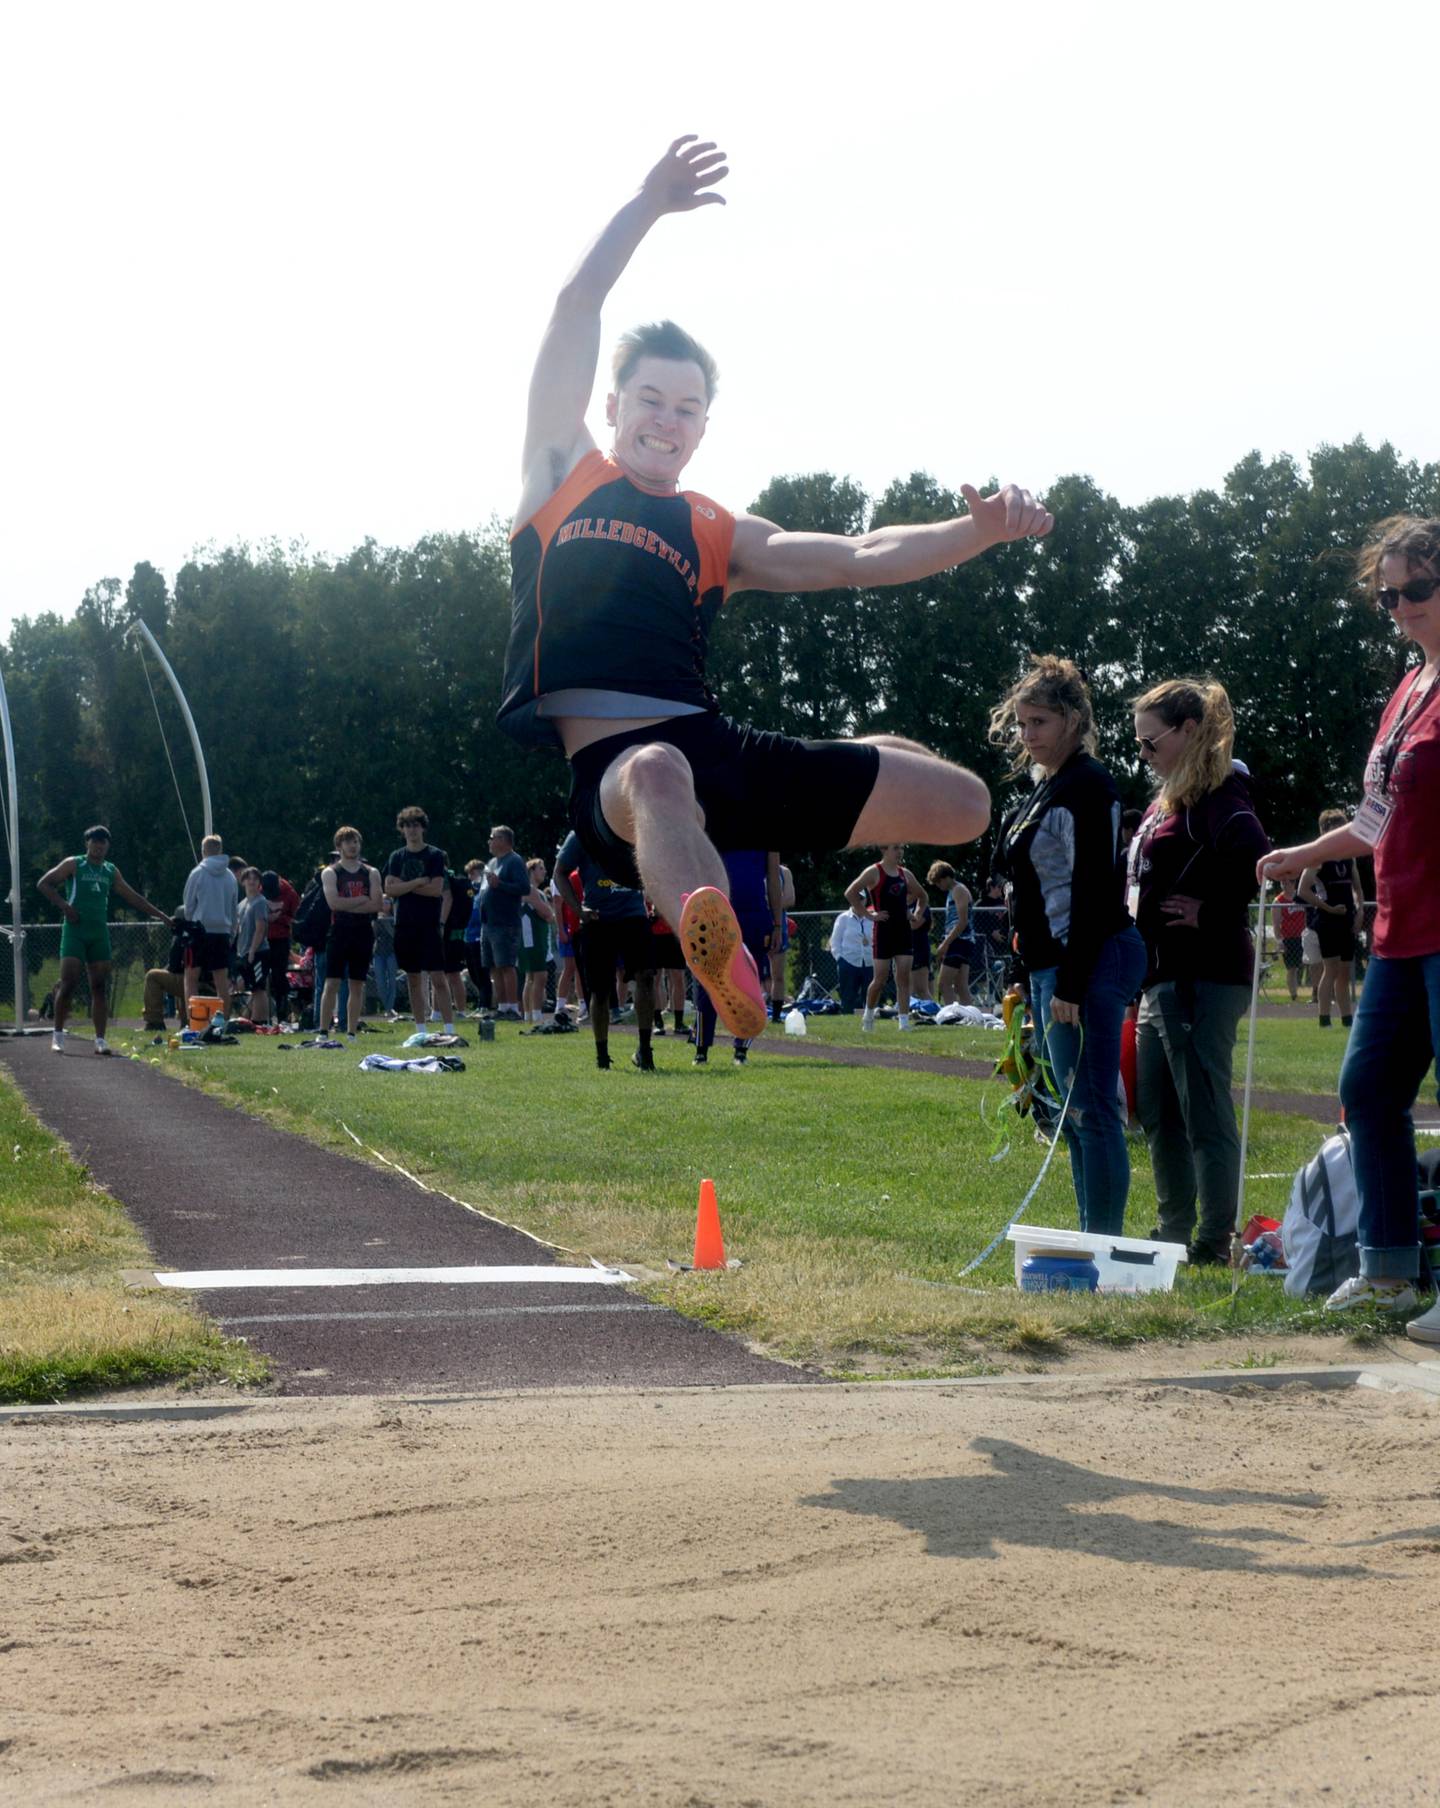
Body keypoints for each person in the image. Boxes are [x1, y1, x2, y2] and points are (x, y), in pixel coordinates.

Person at [497, 137, 1052, 1044]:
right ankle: (719, 957)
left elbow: (861, 554)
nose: (665, 422)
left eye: (685, 409)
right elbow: (573, 305)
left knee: (967, 805)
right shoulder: (560, 475)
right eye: (648, 400)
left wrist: (978, 532)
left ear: (703, 427)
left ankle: (835, 774)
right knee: (656, 768)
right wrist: (646, 204)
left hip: (723, 752)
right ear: (611, 408)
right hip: (617, 779)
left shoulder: (719, 531)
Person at [1261, 515, 1440, 1339]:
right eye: (1387, 596)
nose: (1400, 607)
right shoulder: (1409, 690)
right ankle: (1389, 1274)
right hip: (1401, 930)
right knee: (1367, 1091)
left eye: (1417, 590)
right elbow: (1376, 818)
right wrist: (1300, 851)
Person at [988, 658, 1147, 1237]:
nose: (1028, 735)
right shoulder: (1044, 786)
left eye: (1039, 722)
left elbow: (1092, 888)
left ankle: (1103, 1244)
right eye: (1022, 724)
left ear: (1074, 720)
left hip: (1090, 958)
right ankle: (1088, 1237)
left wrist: (1073, 983)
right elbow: (1026, 889)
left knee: (1094, 1108)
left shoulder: (1088, 784)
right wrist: (1024, 969)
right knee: (1074, 1114)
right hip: (1049, 964)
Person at [1128, 679, 1269, 1265]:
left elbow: (1257, 859)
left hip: (1202, 978)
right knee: (1159, 1110)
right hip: (1162, 979)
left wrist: (1209, 912)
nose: (1142, 753)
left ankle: (1213, 1238)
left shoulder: (1218, 798)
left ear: (1189, 732)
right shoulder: (1173, 798)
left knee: (1204, 1108)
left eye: (1149, 741)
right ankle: (1173, 1230)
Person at [38, 827, 172, 1055]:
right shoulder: (74, 864)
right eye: (95, 841)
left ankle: (100, 1040)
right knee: (68, 983)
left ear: (108, 846)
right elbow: (44, 883)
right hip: (75, 931)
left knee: (99, 987)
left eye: (103, 843)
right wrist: (65, 907)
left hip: (98, 933)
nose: (99, 846)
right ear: (87, 843)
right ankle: (58, 1035)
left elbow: (134, 897)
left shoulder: (110, 871)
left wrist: (161, 916)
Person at [555, 828, 658, 1071]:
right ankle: (602, 1057)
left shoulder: (636, 828)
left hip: (633, 916)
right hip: (597, 920)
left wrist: (654, 900)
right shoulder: (583, 831)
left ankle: (645, 1050)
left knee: (646, 978)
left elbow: (655, 866)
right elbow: (559, 873)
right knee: (600, 991)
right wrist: (579, 910)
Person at [693, 850, 780, 1065]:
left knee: (750, 984)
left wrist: (777, 924)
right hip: (716, 912)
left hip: (754, 916)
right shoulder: (717, 824)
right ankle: (701, 1049)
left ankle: (741, 1050)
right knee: (707, 981)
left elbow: (774, 882)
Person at [383, 806, 451, 1034]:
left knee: (438, 976)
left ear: (422, 827)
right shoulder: (396, 856)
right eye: (407, 825)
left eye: (415, 825)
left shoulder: (435, 855)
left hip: (429, 923)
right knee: (413, 977)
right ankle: (420, 1028)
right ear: (401, 830)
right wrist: (417, 882)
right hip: (405, 923)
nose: (411, 830)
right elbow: (389, 890)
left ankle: (449, 1027)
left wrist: (405, 887)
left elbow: (435, 889)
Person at [846, 846, 927, 1031]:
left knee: (904, 977)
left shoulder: (905, 874)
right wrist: (869, 915)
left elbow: (923, 896)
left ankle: (904, 1023)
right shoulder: (874, 871)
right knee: (880, 978)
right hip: (883, 931)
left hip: (903, 931)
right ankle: (868, 1016)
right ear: (884, 850)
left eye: (902, 848)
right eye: (896, 848)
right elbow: (851, 893)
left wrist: (915, 914)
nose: (900, 852)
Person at [1298, 807, 1360, 1028]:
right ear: (1324, 830)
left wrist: (1359, 912)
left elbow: (1358, 889)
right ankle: (1324, 1019)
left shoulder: (1348, 856)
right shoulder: (1318, 858)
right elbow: (1303, 889)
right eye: (1334, 828)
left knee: (1345, 972)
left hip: (1347, 920)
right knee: (1330, 970)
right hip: (1328, 921)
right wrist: (1327, 907)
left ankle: (1347, 1020)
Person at [319, 828, 381, 1039]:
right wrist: (362, 900)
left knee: (357, 984)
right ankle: (323, 1031)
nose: (352, 845)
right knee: (332, 982)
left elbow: (377, 904)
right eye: (347, 842)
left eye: (355, 841)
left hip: (363, 931)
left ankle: (351, 1032)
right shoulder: (330, 873)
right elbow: (334, 903)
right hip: (339, 931)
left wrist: (353, 905)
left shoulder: (371, 873)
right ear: (339, 846)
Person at [181, 834, 240, 1019]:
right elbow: (233, 908)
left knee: (191, 977)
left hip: (199, 931)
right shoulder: (230, 876)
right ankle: (223, 1021)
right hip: (222, 932)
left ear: (203, 851)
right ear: (220, 850)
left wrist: (191, 924)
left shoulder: (197, 873)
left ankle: (193, 1021)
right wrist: (231, 932)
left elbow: (188, 904)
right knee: (221, 980)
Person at [478, 826, 530, 1023]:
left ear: (504, 840)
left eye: (493, 837)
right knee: (494, 967)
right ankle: (502, 1007)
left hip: (505, 923)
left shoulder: (514, 861)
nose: (489, 841)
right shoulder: (492, 862)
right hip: (489, 923)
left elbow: (524, 888)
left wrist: (500, 885)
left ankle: (513, 1008)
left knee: (506, 965)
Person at [141, 905, 198, 1031]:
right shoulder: (203, 930)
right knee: (182, 979)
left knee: (153, 976)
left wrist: (166, 969)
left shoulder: (182, 936)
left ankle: (154, 1021)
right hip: (207, 983)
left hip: (192, 982)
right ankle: (186, 1022)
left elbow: (174, 966)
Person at [928, 862, 977, 1007]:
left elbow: (962, 922)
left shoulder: (958, 890)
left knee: (943, 984)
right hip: (962, 942)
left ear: (946, 877)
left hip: (960, 941)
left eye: (938, 882)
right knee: (961, 986)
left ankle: (953, 1015)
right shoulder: (953, 892)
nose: (938, 886)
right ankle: (970, 1017)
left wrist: (945, 944)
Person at [519, 857, 558, 1024]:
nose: (544, 871)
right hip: (532, 937)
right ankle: (535, 1014)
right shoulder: (530, 890)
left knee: (531, 977)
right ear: (531, 871)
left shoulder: (535, 891)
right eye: (541, 868)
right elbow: (548, 915)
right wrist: (552, 914)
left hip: (533, 938)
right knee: (540, 976)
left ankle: (529, 1015)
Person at [260, 870, 299, 1024]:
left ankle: (283, 1011)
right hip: (263, 937)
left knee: (279, 975)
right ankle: (262, 1014)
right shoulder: (260, 890)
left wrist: (280, 918)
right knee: (261, 976)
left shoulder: (290, 894)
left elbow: (297, 917)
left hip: (281, 939)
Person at [234, 868, 272, 1024]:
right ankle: (249, 1017)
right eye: (248, 878)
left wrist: (252, 950)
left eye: (255, 879)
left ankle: (260, 1021)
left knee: (259, 988)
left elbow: (261, 927)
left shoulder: (260, 902)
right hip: (242, 951)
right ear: (243, 882)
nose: (252, 882)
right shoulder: (242, 904)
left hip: (258, 951)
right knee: (247, 986)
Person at [828, 904, 873, 1015]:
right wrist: (840, 959)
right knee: (848, 997)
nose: (859, 901)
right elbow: (835, 941)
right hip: (849, 962)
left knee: (870, 996)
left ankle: (870, 1019)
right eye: (857, 897)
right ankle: (847, 1020)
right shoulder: (843, 918)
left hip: (869, 962)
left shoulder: (872, 918)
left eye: (861, 898)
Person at [767, 862, 796, 1022]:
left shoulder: (784, 872)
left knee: (777, 974)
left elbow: (790, 898)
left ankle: (776, 1015)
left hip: (779, 925)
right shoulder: (755, 868)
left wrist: (769, 904)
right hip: (757, 923)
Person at [1272, 886, 1307, 1003]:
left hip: (1304, 936)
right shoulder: (1278, 901)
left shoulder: (1301, 896)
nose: (1286, 883)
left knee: (1312, 964)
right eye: (1283, 880)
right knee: (1292, 969)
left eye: (1290, 880)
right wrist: (1279, 941)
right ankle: (1294, 995)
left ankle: (1316, 994)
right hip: (1289, 939)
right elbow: (1276, 925)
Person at [370, 896, 399, 1018]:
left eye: (387, 902)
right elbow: (373, 936)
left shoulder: (395, 919)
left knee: (392, 980)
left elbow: (395, 936)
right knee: (380, 982)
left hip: (392, 952)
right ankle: (387, 1006)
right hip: (379, 952)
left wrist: (387, 924)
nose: (384, 905)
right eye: (382, 902)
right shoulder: (376, 918)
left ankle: (389, 1008)